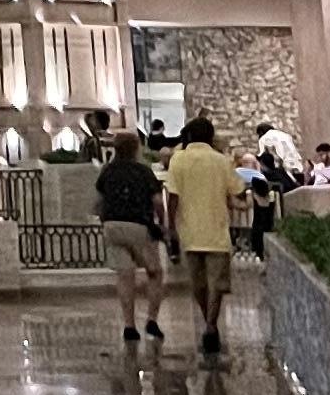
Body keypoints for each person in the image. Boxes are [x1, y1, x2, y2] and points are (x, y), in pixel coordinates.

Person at [166, 113, 240, 357]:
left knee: (198, 284)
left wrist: (170, 226)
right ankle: (211, 324)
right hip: (217, 230)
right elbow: (236, 191)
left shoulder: (178, 160)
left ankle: (208, 321)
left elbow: (173, 196)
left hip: (189, 231)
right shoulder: (221, 161)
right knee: (216, 283)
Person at [94, 125, 167, 349]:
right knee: (154, 272)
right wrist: (162, 222)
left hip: (112, 225)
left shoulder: (107, 171)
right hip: (138, 225)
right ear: (136, 149)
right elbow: (157, 201)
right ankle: (152, 320)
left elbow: (98, 201)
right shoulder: (143, 171)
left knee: (125, 276)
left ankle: (129, 325)